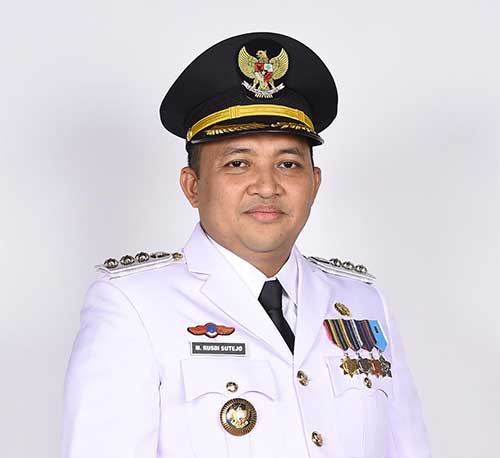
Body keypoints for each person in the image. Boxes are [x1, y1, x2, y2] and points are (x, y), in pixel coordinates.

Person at [61, 32, 431, 458]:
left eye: (288, 164)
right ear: (193, 186)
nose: (267, 186)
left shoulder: (364, 302)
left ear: (314, 183)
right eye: (238, 163)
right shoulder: (135, 307)